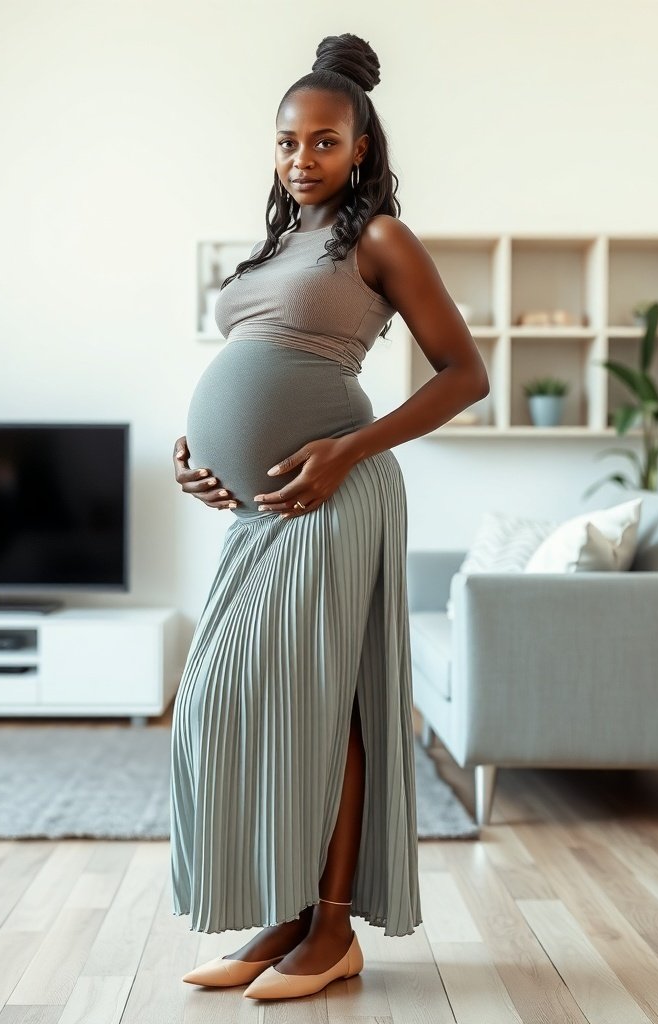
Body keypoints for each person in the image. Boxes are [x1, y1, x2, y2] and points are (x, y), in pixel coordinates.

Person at [169, 32, 489, 1001]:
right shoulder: (275, 248)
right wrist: (199, 453)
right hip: (261, 508)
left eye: (321, 141)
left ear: (360, 146)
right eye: (285, 143)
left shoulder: (378, 237)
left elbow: (466, 375)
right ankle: (288, 907)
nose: (300, 158)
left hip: (334, 492)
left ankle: (335, 925)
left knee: (324, 701)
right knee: (227, 702)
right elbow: (254, 365)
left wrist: (344, 450)